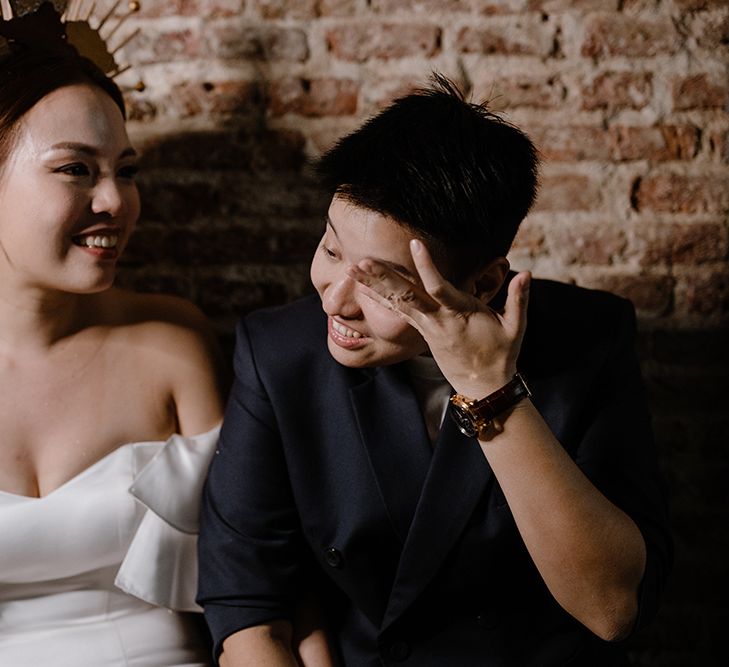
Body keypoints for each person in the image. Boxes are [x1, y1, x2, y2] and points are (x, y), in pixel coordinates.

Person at [197, 74, 673, 666]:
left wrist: (490, 388)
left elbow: (611, 609)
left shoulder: (589, 339)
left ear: (482, 284)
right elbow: (248, 603)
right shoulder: (279, 352)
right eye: (330, 249)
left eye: (382, 285)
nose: (335, 300)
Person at [0, 26, 228, 667]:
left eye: (125, 172)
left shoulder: (173, 346)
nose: (115, 201)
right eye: (76, 169)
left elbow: (258, 581)